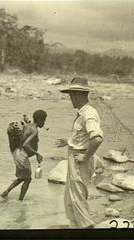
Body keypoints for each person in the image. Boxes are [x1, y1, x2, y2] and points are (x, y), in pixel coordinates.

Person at [55, 77, 103, 228]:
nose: (71, 99)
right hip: (76, 157)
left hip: (80, 160)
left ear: (80, 95)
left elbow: (97, 138)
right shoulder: (82, 112)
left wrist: (85, 156)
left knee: (78, 198)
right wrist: (68, 141)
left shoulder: (88, 114)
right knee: (70, 198)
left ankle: (88, 228)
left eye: (72, 95)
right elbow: (82, 137)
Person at [0, 110, 47, 202]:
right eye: (44, 121)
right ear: (40, 120)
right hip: (21, 154)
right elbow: (26, 144)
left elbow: (24, 136)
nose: (44, 123)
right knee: (27, 179)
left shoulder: (27, 126)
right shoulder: (34, 130)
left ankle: (5, 193)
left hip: (17, 152)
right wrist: (37, 154)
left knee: (23, 177)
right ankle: (20, 201)